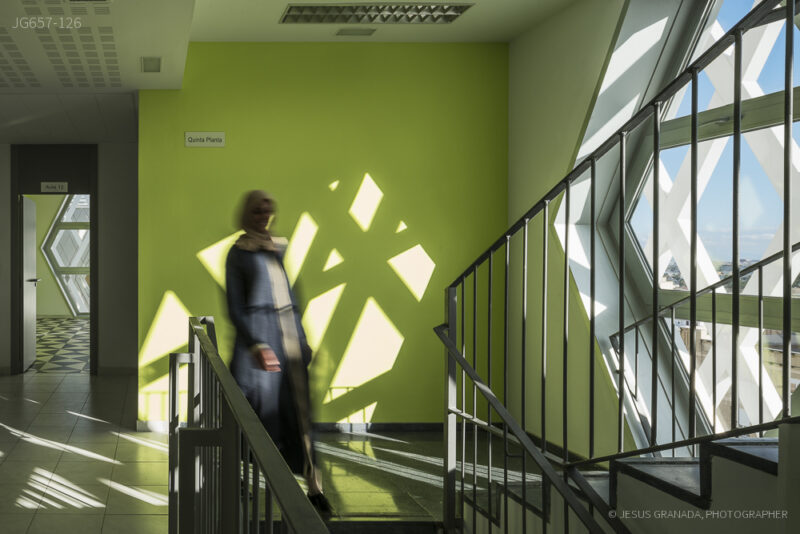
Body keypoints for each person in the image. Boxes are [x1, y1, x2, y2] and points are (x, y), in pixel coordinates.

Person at [226, 190, 332, 515]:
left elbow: (289, 298)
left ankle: (314, 488)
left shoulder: (275, 249)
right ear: (247, 214)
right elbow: (235, 306)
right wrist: (256, 344)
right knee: (255, 414)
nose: (263, 217)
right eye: (258, 211)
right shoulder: (239, 253)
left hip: (288, 341)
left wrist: (302, 338)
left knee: (298, 414)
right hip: (257, 343)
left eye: (268, 211)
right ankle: (244, 479)